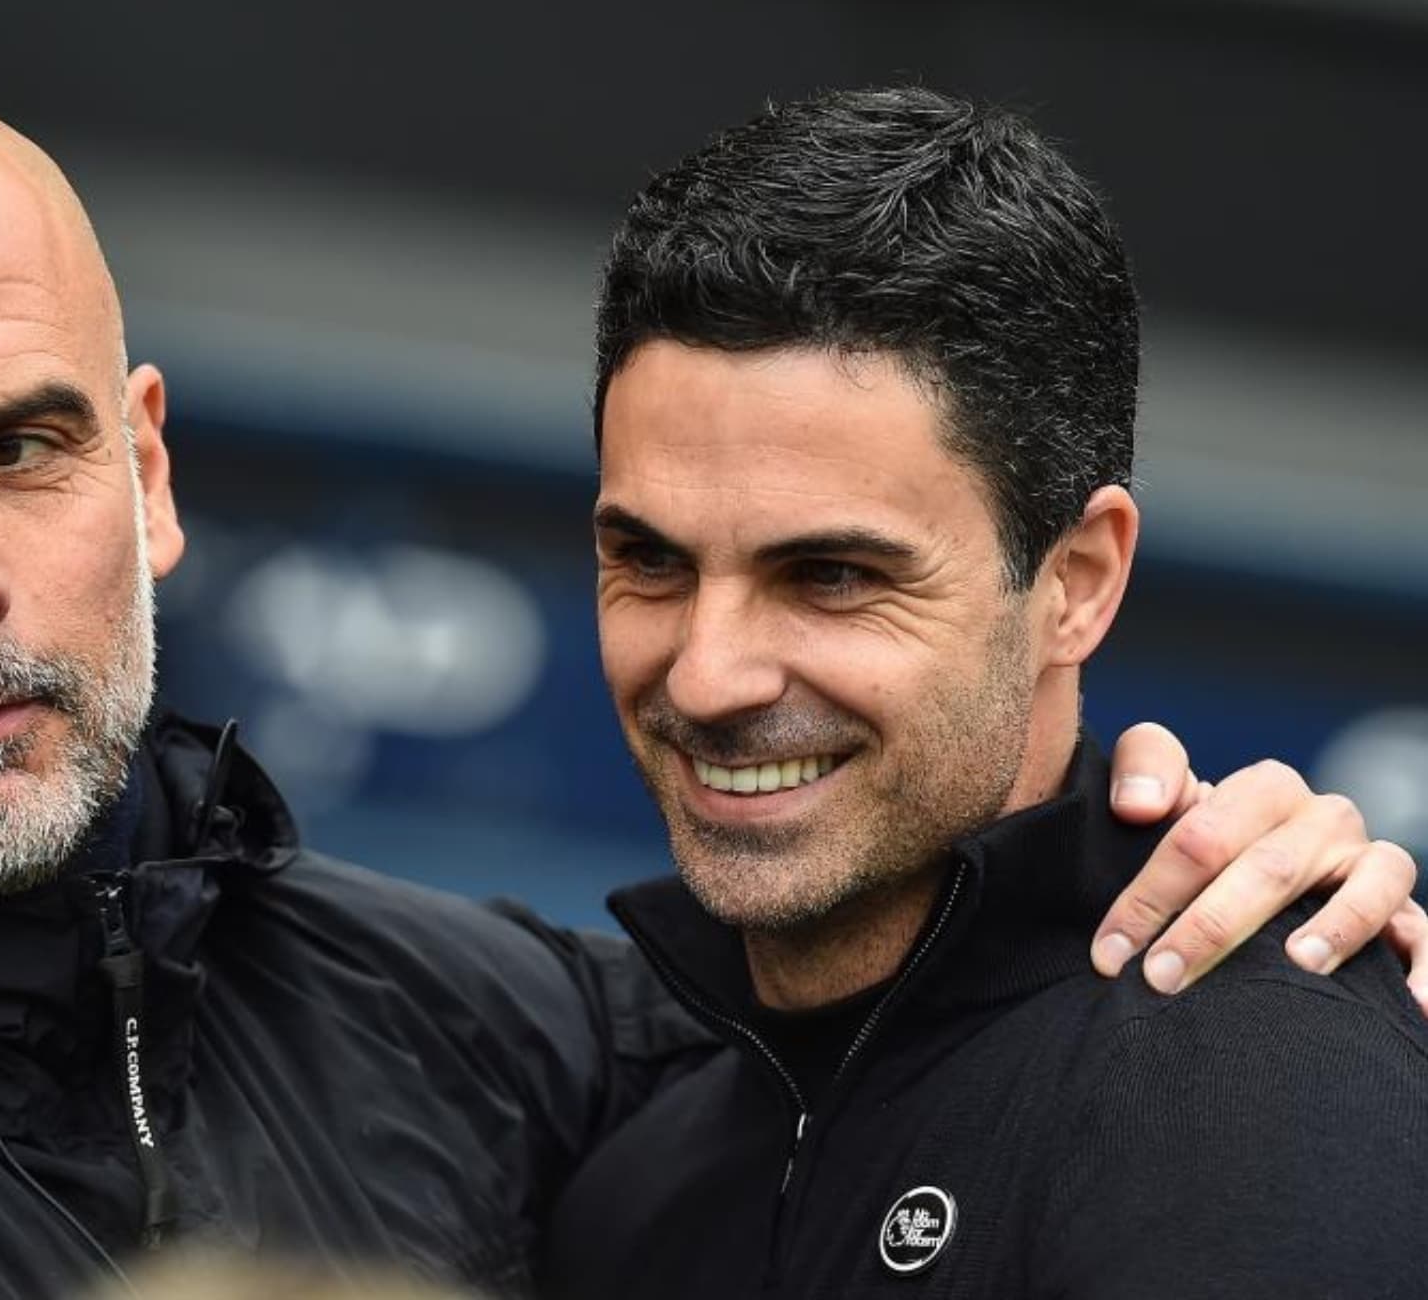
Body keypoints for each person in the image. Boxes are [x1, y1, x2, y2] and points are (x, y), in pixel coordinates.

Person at [0, 81, 1414, 1300]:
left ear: (146, 474)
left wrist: (1236, 889)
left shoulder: (473, 1013)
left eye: (22, 446)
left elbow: (906, 1018)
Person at [540, 86, 1428, 1299]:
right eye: (649, 560)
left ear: (1076, 581)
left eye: (834, 576)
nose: (708, 673)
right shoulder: (624, 1174)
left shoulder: (1255, 1086)